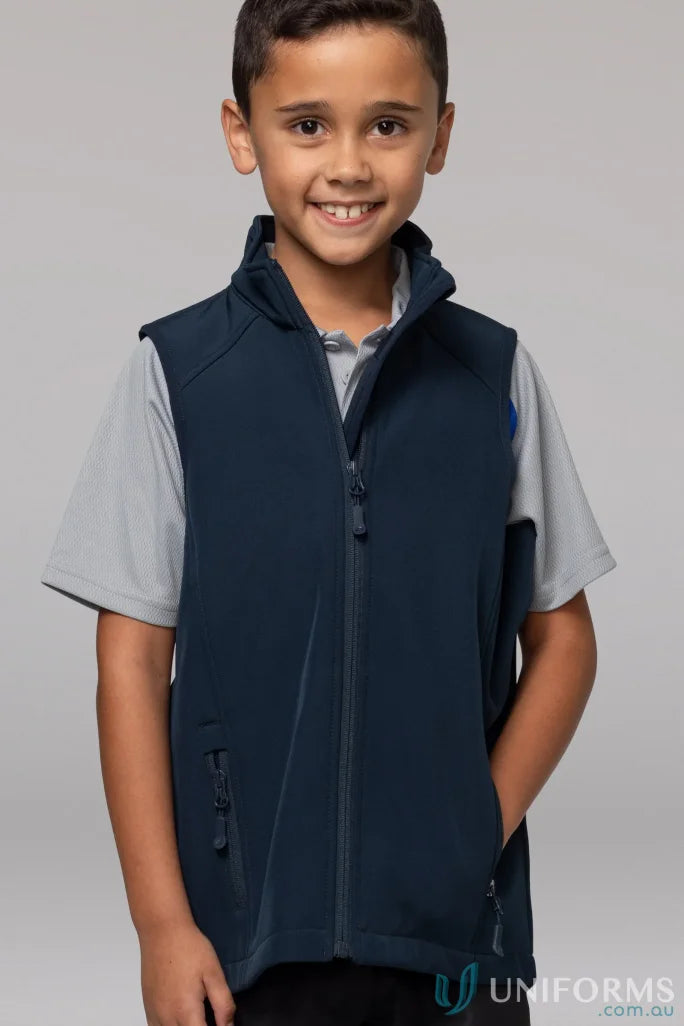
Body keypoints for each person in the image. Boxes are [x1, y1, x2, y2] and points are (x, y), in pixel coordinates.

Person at [40, 1, 618, 1024]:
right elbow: (128, 665)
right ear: (241, 133)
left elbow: (564, 638)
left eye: (387, 124)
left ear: (440, 134)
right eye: (307, 124)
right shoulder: (178, 373)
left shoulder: (491, 375)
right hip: (245, 940)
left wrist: (475, 824)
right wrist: (162, 925)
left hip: (454, 940)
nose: (348, 164)